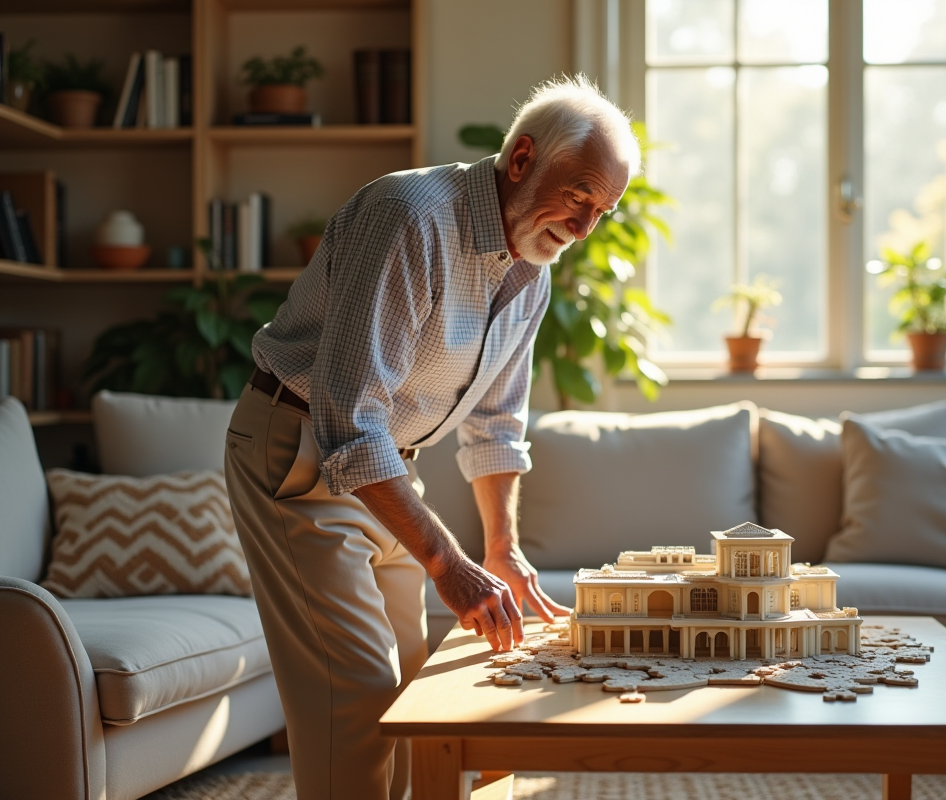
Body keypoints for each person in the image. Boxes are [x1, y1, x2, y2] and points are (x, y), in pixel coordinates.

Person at [223, 75, 640, 800]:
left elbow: (497, 421)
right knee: (356, 699)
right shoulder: (409, 217)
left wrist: (500, 547)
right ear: (522, 159)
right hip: (302, 455)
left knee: (417, 698)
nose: (583, 229)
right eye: (578, 196)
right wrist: (447, 561)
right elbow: (350, 419)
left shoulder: (532, 273)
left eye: (600, 212)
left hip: (386, 470)